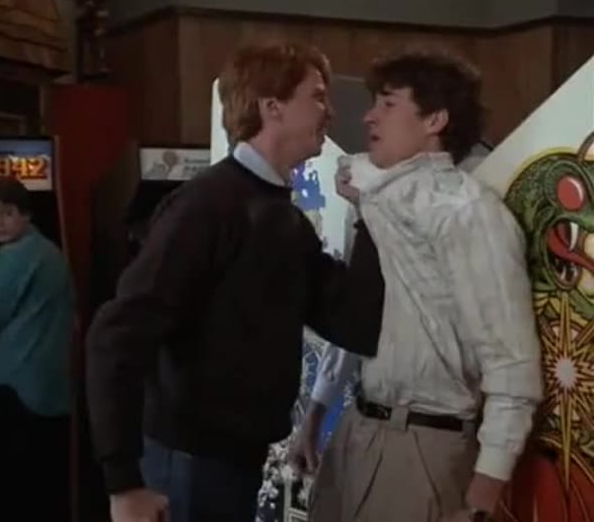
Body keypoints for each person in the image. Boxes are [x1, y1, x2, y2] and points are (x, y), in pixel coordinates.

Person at [86, 40, 385, 522]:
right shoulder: (206, 206)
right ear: (272, 106)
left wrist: (370, 210)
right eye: (317, 96)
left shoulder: (283, 219)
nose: (329, 111)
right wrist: (122, 482)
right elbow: (116, 335)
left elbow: (356, 323)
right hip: (188, 464)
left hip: (231, 464)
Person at [298, 50, 542, 522]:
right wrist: (318, 411)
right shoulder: (380, 200)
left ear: (435, 119)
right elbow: (365, 314)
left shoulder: (469, 213)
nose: (369, 116)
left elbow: (512, 366)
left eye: (388, 103)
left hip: (424, 446)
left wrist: (483, 494)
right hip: (357, 431)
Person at [0, 177, 75, 522]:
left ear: (26, 214)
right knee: (45, 490)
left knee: (15, 490)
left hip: (19, 387)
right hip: (52, 388)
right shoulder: (48, 250)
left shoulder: (17, 254)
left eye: (7, 213)